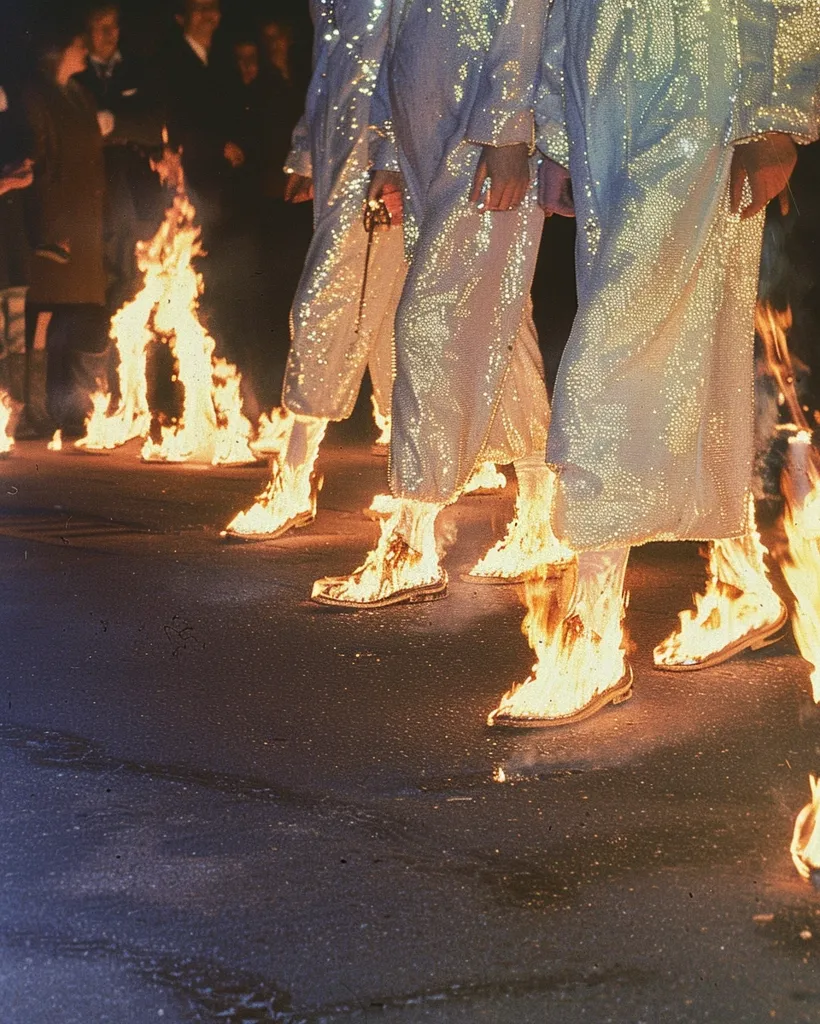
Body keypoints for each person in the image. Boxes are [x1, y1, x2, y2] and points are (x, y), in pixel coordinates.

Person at [489, 0, 820, 725]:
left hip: (702, 82)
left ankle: (594, 636)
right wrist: (555, 131)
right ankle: (740, 582)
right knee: (685, 357)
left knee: (612, 352)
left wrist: (773, 114)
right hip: (599, 85)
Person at [309, 0, 569, 608]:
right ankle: (538, 519)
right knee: (504, 323)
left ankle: (410, 542)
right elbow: (396, 38)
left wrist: (508, 133)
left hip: (485, 148)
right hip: (428, 145)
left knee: (428, 322)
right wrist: (391, 156)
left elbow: (526, 17)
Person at [221, 0, 406, 542]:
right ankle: (406, 473)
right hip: (340, 161)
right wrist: (306, 153)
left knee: (329, 303)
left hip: (375, 166)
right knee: (377, 314)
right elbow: (331, 62)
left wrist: (393, 158)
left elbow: (412, 59)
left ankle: (295, 478)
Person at [22, 16, 109, 438]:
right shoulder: (36, 97)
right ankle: (35, 409)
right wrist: (48, 228)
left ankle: (73, 410)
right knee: (45, 315)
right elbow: (38, 164)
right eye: (79, 44)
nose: (84, 52)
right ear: (59, 50)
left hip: (85, 220)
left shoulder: (80, 96)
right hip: (58, 224)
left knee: (77, 315)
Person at [74, 1, 165, 310]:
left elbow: (154, 124)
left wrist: (114, 123)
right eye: (101, 27)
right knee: (107, 274)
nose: (110, 33)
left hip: (140, 188)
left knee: (143, 270)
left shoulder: (139, 69)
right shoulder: (76, 74)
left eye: (114, 25)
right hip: (95, 191)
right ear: (85, 32)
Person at [159, 0, 244, 235]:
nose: (208, 14)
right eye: (198, 8)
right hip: (193, 176)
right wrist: (217, 146)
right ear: (180, 16)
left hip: (229, 177)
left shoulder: (223, 58)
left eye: (212, 7)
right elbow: (172, 120)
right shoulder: (168, 61)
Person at [0, 81, 32, 432]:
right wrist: (8, 182)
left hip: (10, 248)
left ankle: (17, 414)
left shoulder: (10, 112)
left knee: (17, 337)